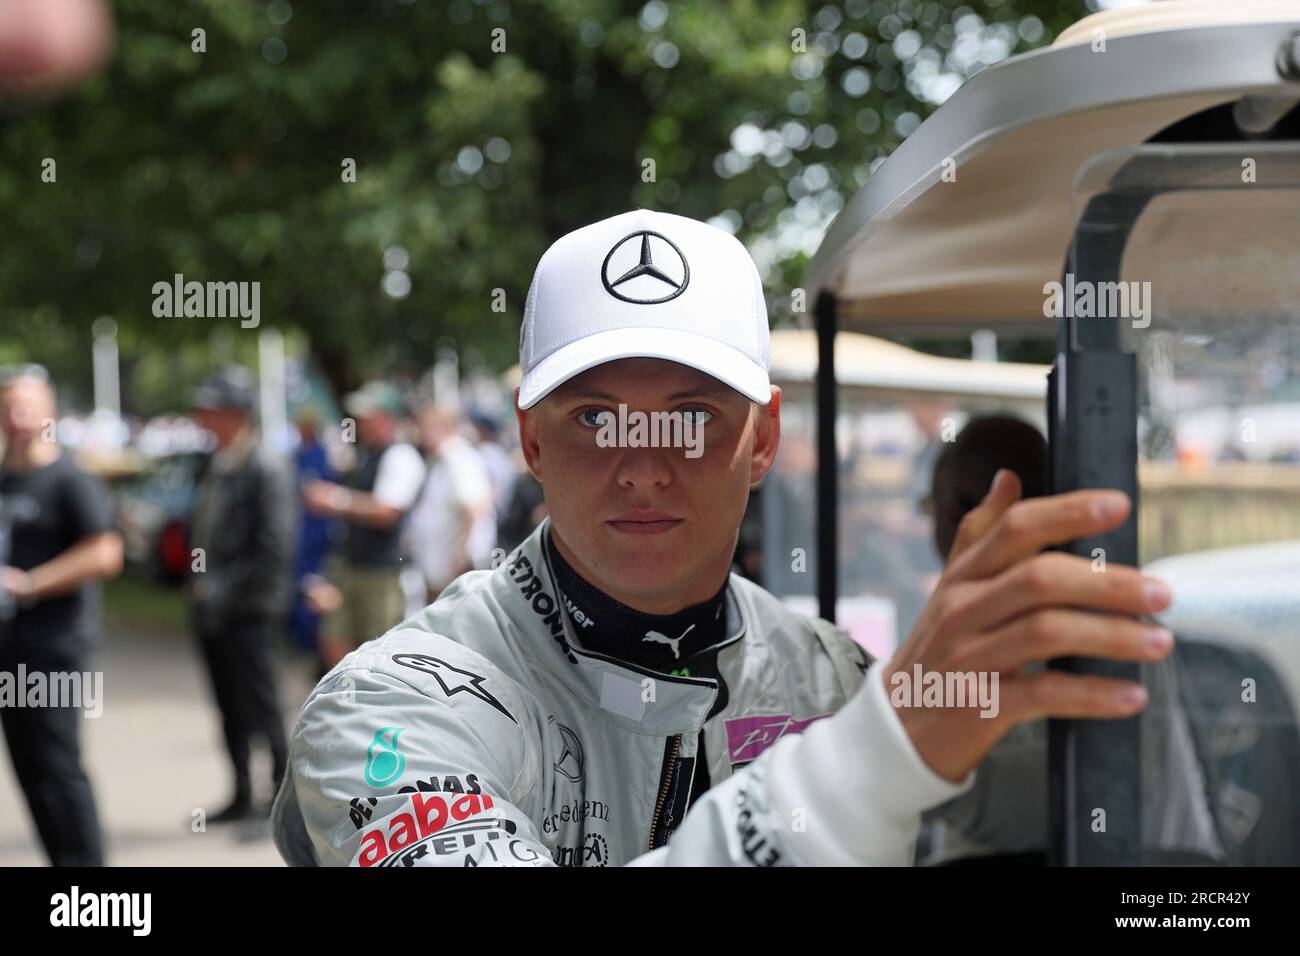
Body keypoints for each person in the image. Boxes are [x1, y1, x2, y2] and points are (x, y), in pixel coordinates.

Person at [272, 209, 1174, 867]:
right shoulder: (390, 707)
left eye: (692, 415)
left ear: (765, 439)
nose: (644, 465)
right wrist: (876, 762)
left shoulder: (835, 681)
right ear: (531, 440)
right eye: (596, 417)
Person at [0, 365, 122, 865]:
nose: (19, 418)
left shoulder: (70, 478)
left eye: (28, 407)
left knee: (58, 771)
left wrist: (29, 584)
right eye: (9, 408)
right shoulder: (6, 480)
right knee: (28, 771)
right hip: (9, 652)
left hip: (53, 651)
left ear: (49, 412)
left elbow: (105, 553)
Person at [188, 367, 298, 823]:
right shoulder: (217, 463)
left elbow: (274, 544)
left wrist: (224, 588)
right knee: (228, 704)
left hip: (251, 608)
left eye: (211, 410)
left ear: (235, 415)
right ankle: (240, 793)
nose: (202, 419)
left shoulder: (265, 467)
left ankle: (279, 800)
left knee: (263, 703)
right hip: (215, 609)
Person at [301, 382, 424, 669]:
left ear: (388, 418)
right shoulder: (368, 455)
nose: (363, 423)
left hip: (382, 574)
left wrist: (334, 499)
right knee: (335, 638)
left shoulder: (401, 455)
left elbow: (386, 511)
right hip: (353, 567)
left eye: (370, 416)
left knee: (380, 653)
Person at [403, 403, 496, 606]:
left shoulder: (458, 457)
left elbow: (474, 509)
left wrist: (460, 560)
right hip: (442, 570)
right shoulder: (446, 457)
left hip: (455, 573)